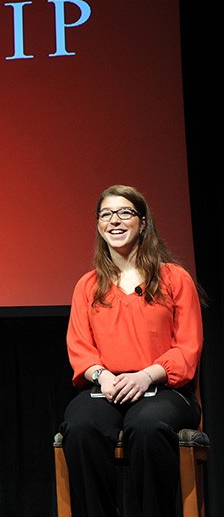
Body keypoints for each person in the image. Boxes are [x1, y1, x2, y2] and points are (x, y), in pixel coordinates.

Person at [60, 184, 205, 517]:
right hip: (107, 387)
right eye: (106, 214)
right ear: (98, 225)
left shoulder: (174, 278)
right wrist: (102, 376)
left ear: (142, 221)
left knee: (148, 428)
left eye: (124, 212)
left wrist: (146, 376)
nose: (115, 220)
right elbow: (80, 347)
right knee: (80, 427)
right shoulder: (87, 285)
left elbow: (188, 346)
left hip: (164, 388)